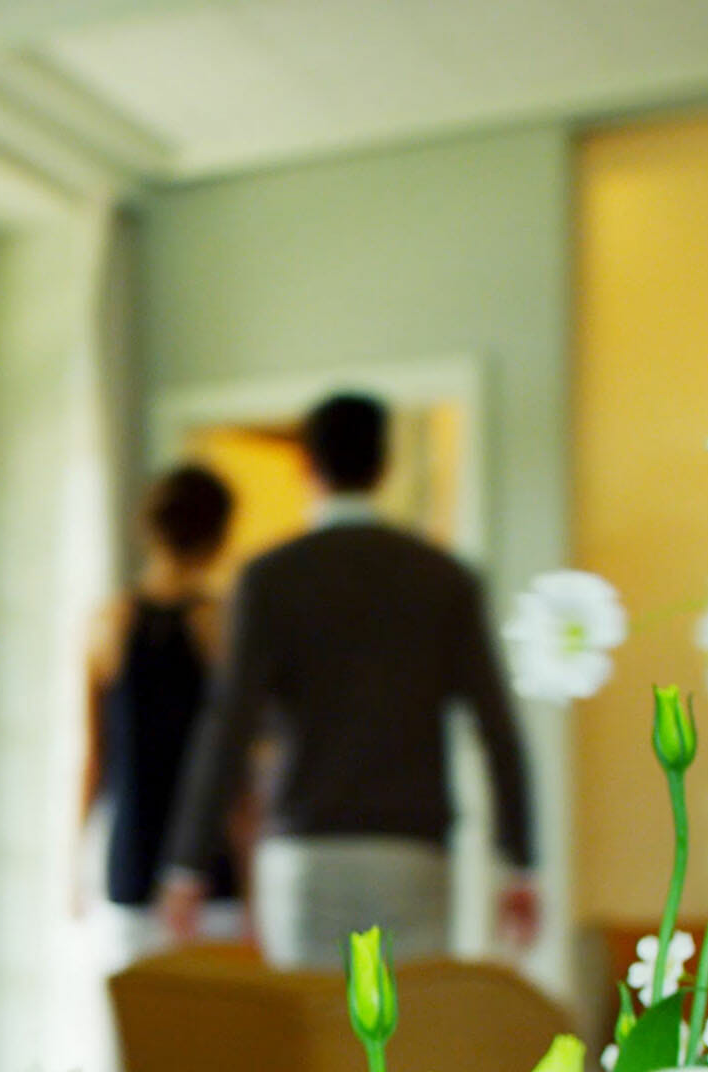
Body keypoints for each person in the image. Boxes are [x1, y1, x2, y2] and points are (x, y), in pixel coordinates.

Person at [159, 392, 536, 966]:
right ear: (385, 466)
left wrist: (188, 864)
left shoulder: (269, 579)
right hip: (413, 851)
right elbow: (496, 727)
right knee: (408, 1041)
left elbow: (228, 726)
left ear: (308, 466)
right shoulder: (444, 579)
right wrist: (519, 861)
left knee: (314, 1038)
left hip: (305, 851)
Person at [82, 464, 242, 970]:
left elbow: (94, 757)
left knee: (141, 1033)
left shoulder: (108, 622)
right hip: (206, 862)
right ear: (218, 536)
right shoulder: (217, 624)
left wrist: (77, 860)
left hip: (131, 850)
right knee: (213, 1033)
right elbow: (235, 757)